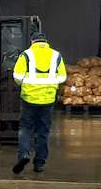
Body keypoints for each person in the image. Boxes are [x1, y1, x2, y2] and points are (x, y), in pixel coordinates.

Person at [11, 32, 66, 174]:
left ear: (32, 41)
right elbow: (62, 77)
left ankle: (24, 154)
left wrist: (27, 84)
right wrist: (50, 84)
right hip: (48, 100)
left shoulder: (26, 55)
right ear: (45, 42)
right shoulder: (56, 55)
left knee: (25, 129)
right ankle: (39, 163)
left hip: (29, 98)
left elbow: (17, 77)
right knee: (43, 131)